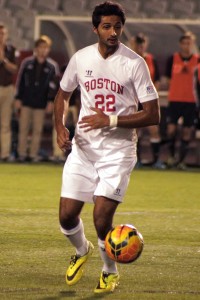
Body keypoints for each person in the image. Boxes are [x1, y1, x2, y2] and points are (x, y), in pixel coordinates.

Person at [54, 1, 160, 294]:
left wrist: (110, 119)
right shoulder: (81, 58)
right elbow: (62, 95)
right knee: (65, 215)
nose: (113, 32)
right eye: (107, 26)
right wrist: (60, 126)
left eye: (117, 26)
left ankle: (109, 271)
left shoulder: (134, 63)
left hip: (118, 152)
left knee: (101, 216)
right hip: (84, 149)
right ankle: (81, 249)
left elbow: (153, 114)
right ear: (95, 28)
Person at [15, 37, 57, 162]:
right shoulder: (27, 63)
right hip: (26, 101)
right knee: (23, 128)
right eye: (40, 47)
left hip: (41, 103)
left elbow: (54, 86)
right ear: (36, 49)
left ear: (48, 50)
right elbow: (20, 81)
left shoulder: (52, 66)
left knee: (37, 130)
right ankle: (21, 153)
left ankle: (33, 155)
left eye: (45, 48)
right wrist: (18, 98)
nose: (43, 50)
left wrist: (50, 101)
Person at [130, 33, 165, 169]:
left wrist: (150, 94)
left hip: (147, 100)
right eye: (137, 43)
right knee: (134, 130)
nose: (140, 46)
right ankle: (135, 160)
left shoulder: (151, 59)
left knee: (153, 129)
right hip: (133, 99)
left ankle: (156, 160)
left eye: (142, 43)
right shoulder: (128, 59)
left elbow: (156, 81)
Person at [165, 32, 199, 170]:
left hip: (191, 101)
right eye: (184, 43)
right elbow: (167, 79)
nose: (187, 46)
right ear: (180, 44)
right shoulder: (172, 59)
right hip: (174, 100)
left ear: (193, 44)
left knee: (186, 131)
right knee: (171, 129)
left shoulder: (197, 60)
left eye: (189, 43)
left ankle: (182, 161)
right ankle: (171, 157)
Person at [0, 24, 18, 161]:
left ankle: (4, 154)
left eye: (2, 34)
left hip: (7, 88)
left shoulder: (11, 50)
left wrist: (3, 60)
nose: (1, 36)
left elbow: (14, 69)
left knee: (5, 123)